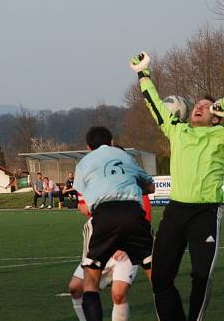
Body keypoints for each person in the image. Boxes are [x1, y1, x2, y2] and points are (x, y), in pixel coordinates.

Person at [130, 52, 224, 321]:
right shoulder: (177, 129)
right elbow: (155, 104)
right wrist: (143, 74)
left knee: (201, 276)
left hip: (205, 214)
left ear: (217, 116)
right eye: (198, 104)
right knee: (160, 278)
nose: (200, 107)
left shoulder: (223, 135)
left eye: (207, 106)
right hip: (175, 212)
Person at [73, 126, 155, 321]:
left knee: (90, 284)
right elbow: (150, 186)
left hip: (104, 218)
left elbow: (84, 199)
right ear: (111, 142)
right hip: (133, 214)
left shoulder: (84, 162)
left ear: (88, 147)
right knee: (158, 279)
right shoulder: (125, 157)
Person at [69, 188, 152, 321]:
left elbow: (145, 212)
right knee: (75, 288)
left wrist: (127, 243)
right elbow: (84, 208)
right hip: (100, 245)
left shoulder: (126, 174)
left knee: (118, 294)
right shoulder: (87, 175)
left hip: (126, 245)